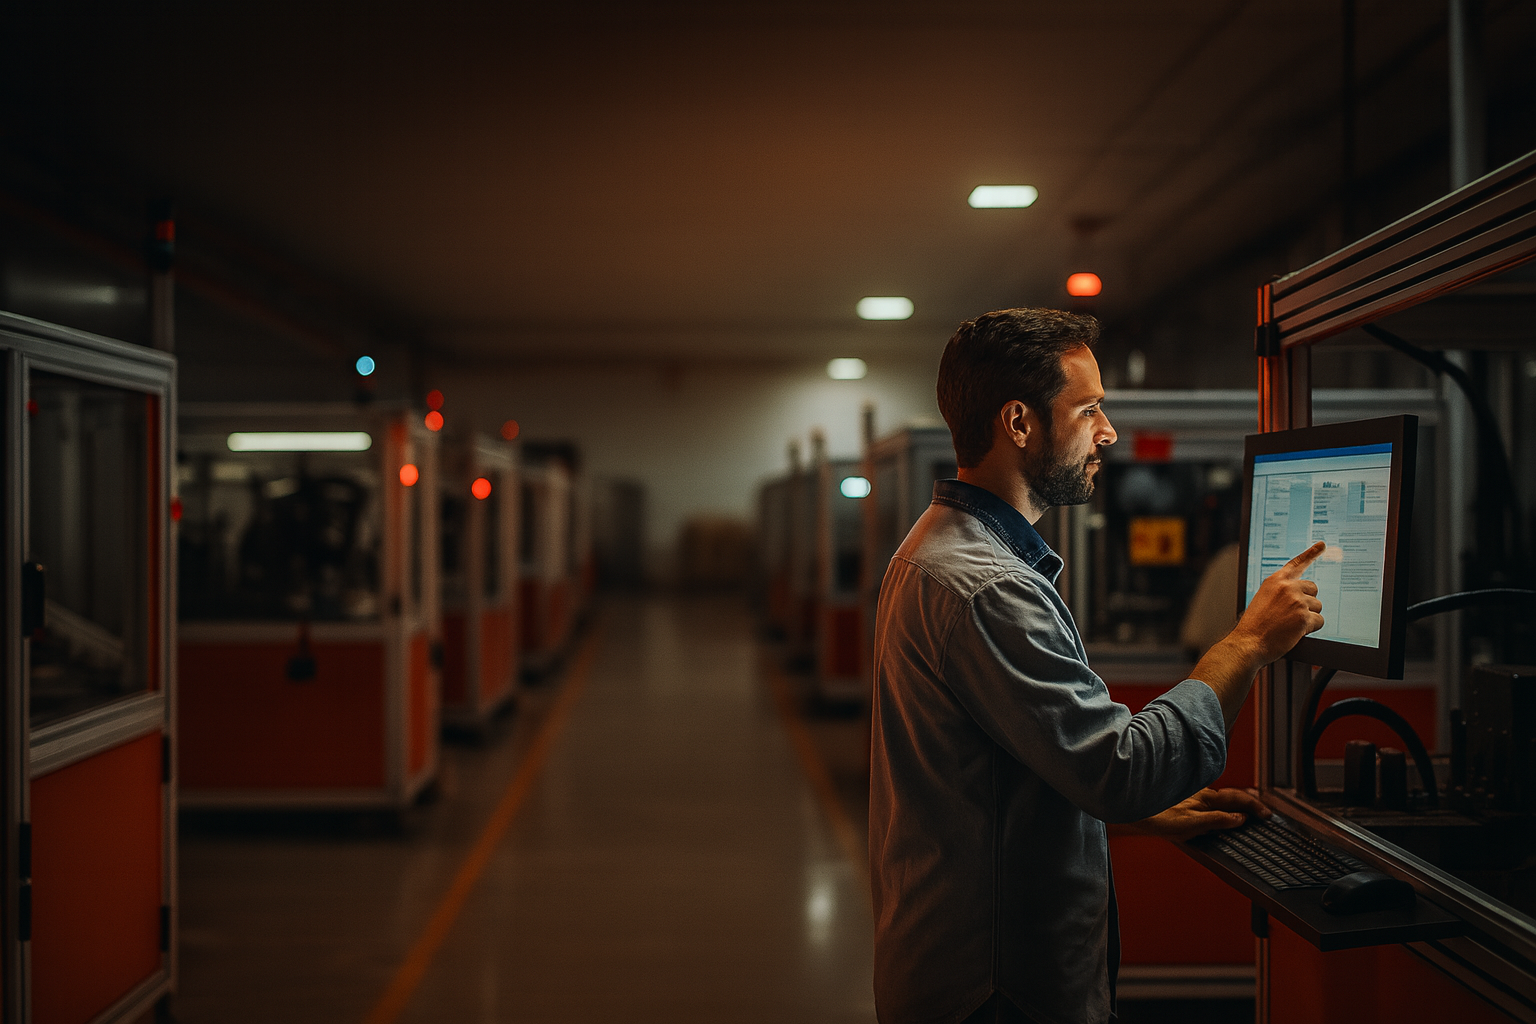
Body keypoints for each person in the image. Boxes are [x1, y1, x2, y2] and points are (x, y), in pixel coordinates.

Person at [868, 308, 1325, 1024]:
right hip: (997, 991)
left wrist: (1142, 816)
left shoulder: (937, 549)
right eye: (1088, 410)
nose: (1107, 432)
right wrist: (1246, 644)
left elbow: (995, 776)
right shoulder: (989, 587)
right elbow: (1122, 770)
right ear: (1018, 423)